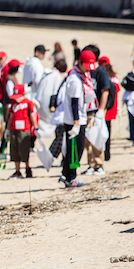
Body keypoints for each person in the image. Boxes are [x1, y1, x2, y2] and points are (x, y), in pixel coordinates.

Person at [61, 50, 97, 188]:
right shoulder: (75, 79)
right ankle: (71, 178)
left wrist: (90, 114)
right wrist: (76, 124)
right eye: (86, 65)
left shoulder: (83, 76)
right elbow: (74, 103)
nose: (88, 69)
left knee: (74, 149)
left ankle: (65, 174)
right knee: (76, 150)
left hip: (80, 118)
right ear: (80, 63)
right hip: (74, 121)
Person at [82, 45, 109, 176]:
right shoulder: (86, 71)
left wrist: (101, 109)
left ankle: (99, 164)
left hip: (96, 110)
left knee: (97, 138)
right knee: (88, 139)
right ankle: (91, 164)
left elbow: (105, 91)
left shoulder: (100, 72)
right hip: (87, 110)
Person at [7, 85, 38, 179]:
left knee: (24, 149)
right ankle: (17, 171)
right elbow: (10, 117)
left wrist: (36, 128)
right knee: (14, 150)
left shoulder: (29, 103)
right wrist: (7, 130)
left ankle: (28, 168)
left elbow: (32, 116)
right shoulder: (13, 103)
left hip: (25, 130)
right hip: (14, 130)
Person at [35, 59, 67, 138]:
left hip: (39, 98)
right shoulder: (57, 76)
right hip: (48, 101)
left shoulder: (46, 73)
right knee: (49, 123)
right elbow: (56, 92)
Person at [101, 57, 120, 161]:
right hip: (112, 108)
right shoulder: (114, 77)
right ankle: (107, 155)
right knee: (107, 132)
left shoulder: (104, 77)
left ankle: (105, 155)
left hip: (105, 108)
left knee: (103, 134)